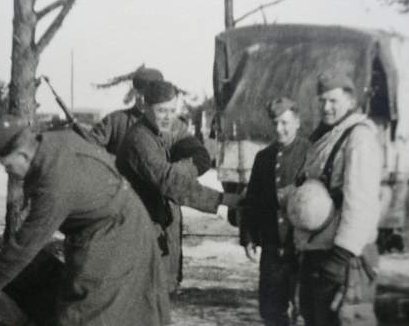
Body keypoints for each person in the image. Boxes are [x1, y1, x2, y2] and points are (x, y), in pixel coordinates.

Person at [0, 115, 170, 326]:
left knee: (90, 312)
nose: (9, 173)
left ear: (23, 155)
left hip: (115, 237)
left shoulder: (54, 184)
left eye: (8, 166)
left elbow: (27, 242)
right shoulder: (55, 142)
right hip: (114, 227)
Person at [116, 80, 236, 293]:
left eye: (172, 110)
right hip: (141, 236)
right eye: (161, 110)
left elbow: (196, 159)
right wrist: (224, 200)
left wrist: (180, 170)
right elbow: (169, 182)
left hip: (159, 234)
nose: (168, 116)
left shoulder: (159, 133)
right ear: (145, 106)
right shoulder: (139, 140)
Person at [293, 73, 382, 326]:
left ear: (351, 101)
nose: (326, 107)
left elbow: (361, 203)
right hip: (318, 252)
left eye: (333, 101)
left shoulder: (358, 138)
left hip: (344, 257)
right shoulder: (328, 136)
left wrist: (340, 257)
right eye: (321, 101)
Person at [240, 97, 309, 326]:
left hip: (302, 248)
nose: (279, 129)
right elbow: (252, 202)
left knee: (306, 310)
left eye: (285, 123)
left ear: (298, 122)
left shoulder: (311, 154)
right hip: (272, 249)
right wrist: (248, 236)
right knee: (271, 311)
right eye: (276, 123)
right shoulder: (264, 158)